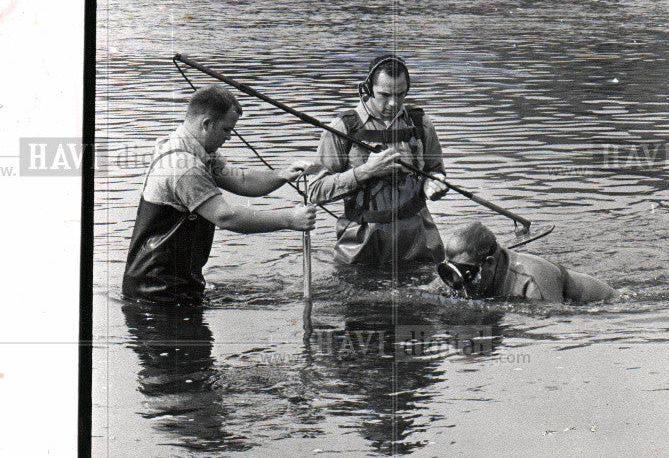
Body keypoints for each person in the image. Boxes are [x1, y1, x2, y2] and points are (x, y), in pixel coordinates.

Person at [122, 85, 316, 306]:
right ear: (206, 124)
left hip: (171, 284)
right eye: (226, 130)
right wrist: (290, 219)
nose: (230, 137)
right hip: (157, 292)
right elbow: (225, 217)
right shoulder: (185, 167)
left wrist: (283, 175)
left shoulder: (196, 150)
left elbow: (241, 180)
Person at [308, 54, 449, 268]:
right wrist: (365, 171)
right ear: (368, 89)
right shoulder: (343, 128)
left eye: (401, 94)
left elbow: (437, 171)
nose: (393, 103)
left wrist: (435, 184)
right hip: (361, 245)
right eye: (384, 95)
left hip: (418, 242)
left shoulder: (421, 123)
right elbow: (315, 191)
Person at [437, 222, 616, 303]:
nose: (457, 285)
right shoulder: (462, 272)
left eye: (467, 275)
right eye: (448, 272)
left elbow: (553, 320)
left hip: (607, 301)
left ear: (489, 264)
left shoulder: (531, 283)